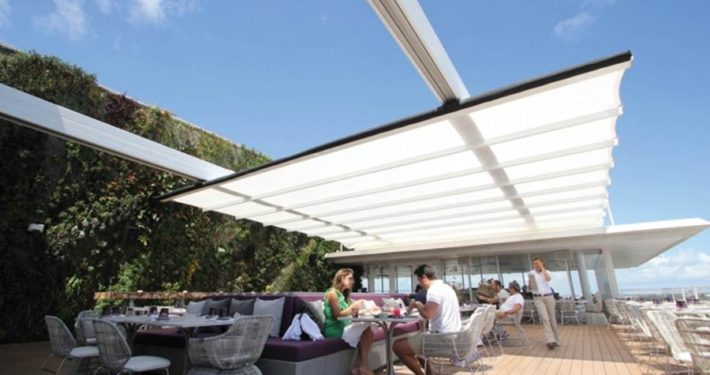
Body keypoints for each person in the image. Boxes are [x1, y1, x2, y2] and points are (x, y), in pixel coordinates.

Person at [393, 264, 461, 375]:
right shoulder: (446, 288)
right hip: (453, 335)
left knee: (398, 346)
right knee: (414, 342)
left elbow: (428, 314)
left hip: (442, 338)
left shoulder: (434, 290)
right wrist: (420, 305)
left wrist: (418, 305)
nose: (419, 283)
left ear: (424, 277)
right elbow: (434, 310)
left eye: (419, 280)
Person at [323, 268, 374, 375]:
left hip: (344, 327)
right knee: (367, 331)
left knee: (369, 331)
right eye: (350, 278)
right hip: (335, 330)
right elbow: (338, 315)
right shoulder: (332, 294)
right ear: (342, 278)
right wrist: (352, 307)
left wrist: (357, 310)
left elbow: (348, 314)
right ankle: (364, 367)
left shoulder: (344, 296)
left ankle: (357, 368)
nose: (353, 281)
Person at [528, 257, 560, 350]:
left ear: (542, 263)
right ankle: (550, 340)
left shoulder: (547, 272)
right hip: (538, 298)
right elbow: (531, 288)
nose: (536, 265)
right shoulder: (531, 273)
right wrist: (529, 282)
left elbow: (548, 279)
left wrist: (542, 269)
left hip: (549, 296)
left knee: (552, 318)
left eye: (538, 263)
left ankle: (557, 339)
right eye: (534, 263)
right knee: (545, 318)